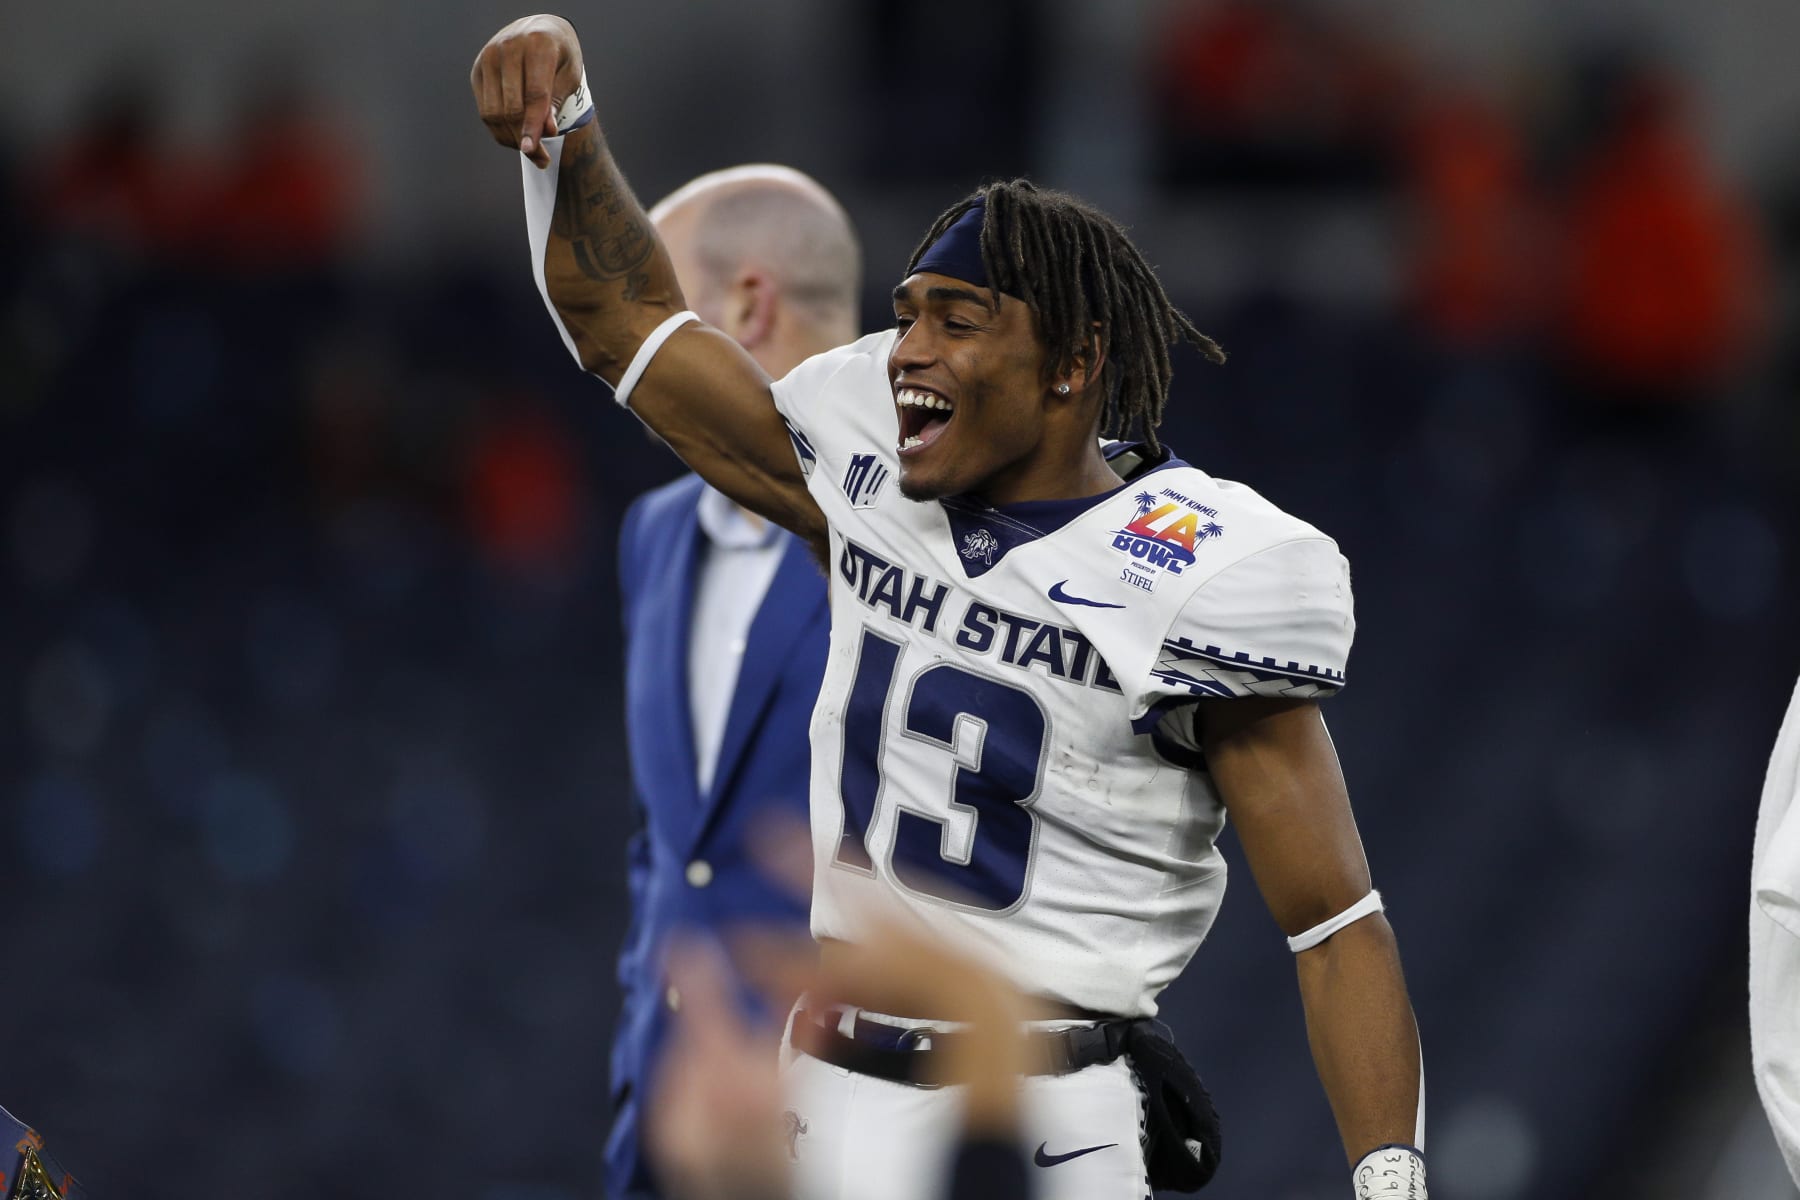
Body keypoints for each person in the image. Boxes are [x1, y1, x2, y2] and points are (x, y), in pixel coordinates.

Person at [472, 16, 1428, 1199]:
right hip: (829, 1092)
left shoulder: (1201, 569)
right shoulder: (857, 464)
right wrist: (561, 136)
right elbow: (627, 327)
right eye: (910, 309)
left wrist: (1392, 1183)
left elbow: (1335, 924)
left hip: (1052, 1110)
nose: (907, 350)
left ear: (1071, 365)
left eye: (956, 322)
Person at [607, 164, 861, 1200]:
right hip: (667, 1106)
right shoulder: (655, 532)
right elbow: (675, 840)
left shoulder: (926, 540)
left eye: (649, 307)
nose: (618, 346)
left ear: (747, 304)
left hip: (840, 1123)